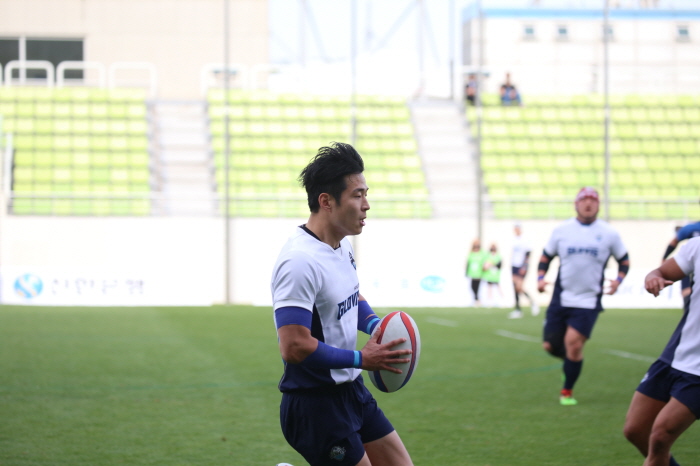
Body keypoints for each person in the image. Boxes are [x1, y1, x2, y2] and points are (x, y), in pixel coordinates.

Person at [270, 142, 414, 466]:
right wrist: (361, 358)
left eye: (366, 194)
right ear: (327, 202)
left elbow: (352, 297)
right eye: (357, 195)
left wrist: (376, 325)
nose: (366, 205)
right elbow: (293, 346)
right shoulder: (299, 261)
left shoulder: (341, 245)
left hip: (352, 391)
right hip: (314, 404)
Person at [537, 187, 630, 405]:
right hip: (561, 298)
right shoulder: (562, 230)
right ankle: (571, 363)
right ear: (576, 204)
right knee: (550, 346)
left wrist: (618, 281)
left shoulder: (609, 233)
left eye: (593, 200)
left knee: (574, 343)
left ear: (598, 205)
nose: (588, 204)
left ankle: (567, 391)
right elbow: (546, 257)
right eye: (584, 200)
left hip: (588, 300)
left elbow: (624, 260)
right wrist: (540, 278)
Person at [623, 237, 700, 466]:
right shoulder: (696, 246)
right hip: (674, 355)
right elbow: (660, 272)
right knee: (636, 430)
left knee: (660, 436)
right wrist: (653, 278)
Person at [662, 219, 700, 311]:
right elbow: (674, 241)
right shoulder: (692, 228)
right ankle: (688, 306)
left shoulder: (691, 227)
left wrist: (664, 258)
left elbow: (674, 241)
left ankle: (688, 307)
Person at [508, 223, 539, 319]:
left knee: (519, 287)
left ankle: (533, 303)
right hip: (514, 265)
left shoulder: (525, 239)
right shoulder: (514, 240)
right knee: (515, 287)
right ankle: (518, 309)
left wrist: (524, 266)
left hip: (522, 266)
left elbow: (528, 254)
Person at [466, 239, 487, 306]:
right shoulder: (471, 253)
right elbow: (468, 262)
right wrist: (466, 272)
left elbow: (485, 261)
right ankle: (476, 299)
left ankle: (477, 300)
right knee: (472, 287)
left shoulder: (482, 253)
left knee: (477, 287)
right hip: (472, 273)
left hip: (479, 273)